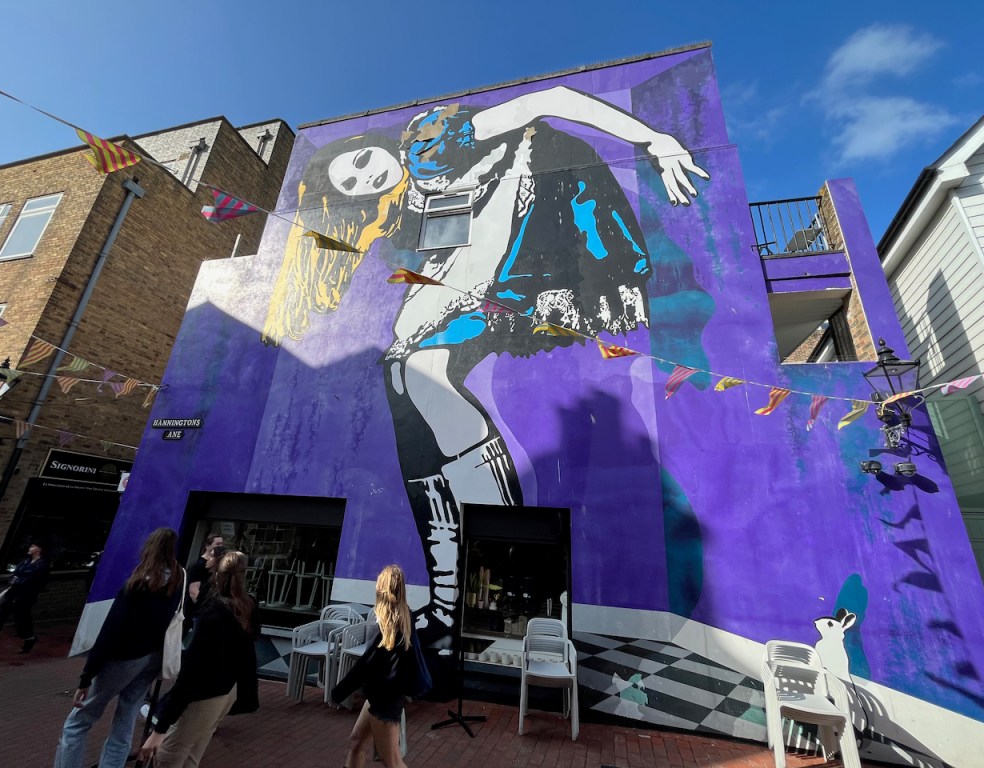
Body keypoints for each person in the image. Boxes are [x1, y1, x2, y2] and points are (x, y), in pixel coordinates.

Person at [263, 85, 710, 644]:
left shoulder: (430, 139)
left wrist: (653, 139)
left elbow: (549, 100)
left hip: (546, 212)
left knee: (421, 369)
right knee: (400, 375)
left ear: (368, 143)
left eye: (357, 162)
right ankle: (451, 597)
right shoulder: (402, 205)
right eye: (351, 186)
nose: (365, 177)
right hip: (485, 260)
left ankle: (501, 571)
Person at [53, 527, 184, 768]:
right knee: (126, 717)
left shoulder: (137, 584)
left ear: (149, 548)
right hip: (153, 657)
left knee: (80, 720)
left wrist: (87, 676)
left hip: (125, 657)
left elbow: (111, 631)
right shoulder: (178, 579)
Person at [138, 551, 259, 768]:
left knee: (169, 754)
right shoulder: (247, 605)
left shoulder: (213, 615)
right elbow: (248, 651)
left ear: (215, 575)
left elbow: (191, 673)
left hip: (205, 695)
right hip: (227, 691)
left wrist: (160, 729)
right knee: (193, 754)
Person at [331, 564, 422, 768]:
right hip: (382, 697)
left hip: (383, 700)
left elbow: (366, 664)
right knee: (356, 741)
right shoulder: (404, 617)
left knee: (392, 761)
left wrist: (339, 691)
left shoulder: (389, 624)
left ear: (382, 589)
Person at [0, 539, 50, 659]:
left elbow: (34, 582)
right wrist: (14, 579)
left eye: (33, 546)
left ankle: (30, 638)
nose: (30, 548)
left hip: (24, 598)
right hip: (12, 594)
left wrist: (18, 581)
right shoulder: (26, 561)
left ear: (39, 549)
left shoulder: (42, 565)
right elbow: (16, 574)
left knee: (21, 622)